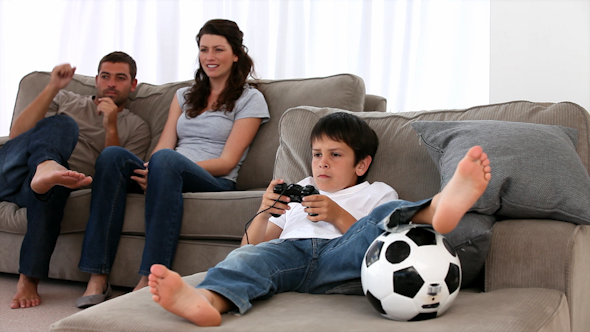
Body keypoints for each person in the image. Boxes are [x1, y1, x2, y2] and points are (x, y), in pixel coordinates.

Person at [147, 112, 492, 327]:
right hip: (288, 255)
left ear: (361, 165)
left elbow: (379, 245)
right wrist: (265, 210)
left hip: (340, 258)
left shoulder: (374, 191)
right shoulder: (300, 188)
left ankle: (438, 209)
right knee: (245, 261)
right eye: (316, 154)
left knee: (385, 215)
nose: (322, 163)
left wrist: (337, 214)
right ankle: (207, 301)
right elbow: (249, 247)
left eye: (335, 155)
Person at [76, 19, 270, 308]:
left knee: (166, 160)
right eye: (204, 50)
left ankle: (149, 279)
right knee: (112, 156)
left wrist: (163, 167)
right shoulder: (184, 95)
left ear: (236, 54)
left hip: (213, 179)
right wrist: (151, 170)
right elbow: (164, 145)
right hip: (167, 169)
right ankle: (97, 276)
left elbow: (227, 161)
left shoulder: (250, 98)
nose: (210, 57)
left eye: (218, 49)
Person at [2, 51, 151, 309]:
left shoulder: (137, 126)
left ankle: (28, 279)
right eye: (105, 76)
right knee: (62, 125)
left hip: (40, 188)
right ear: (96, 80)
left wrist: (111, 125)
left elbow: (113, 176)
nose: (111, 84)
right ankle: (46, 164)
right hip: (15, 168)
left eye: (120, 78)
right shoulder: (66, 99)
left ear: (133, 84)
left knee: (58, 185)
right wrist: (53, 86)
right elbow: (16, 134)